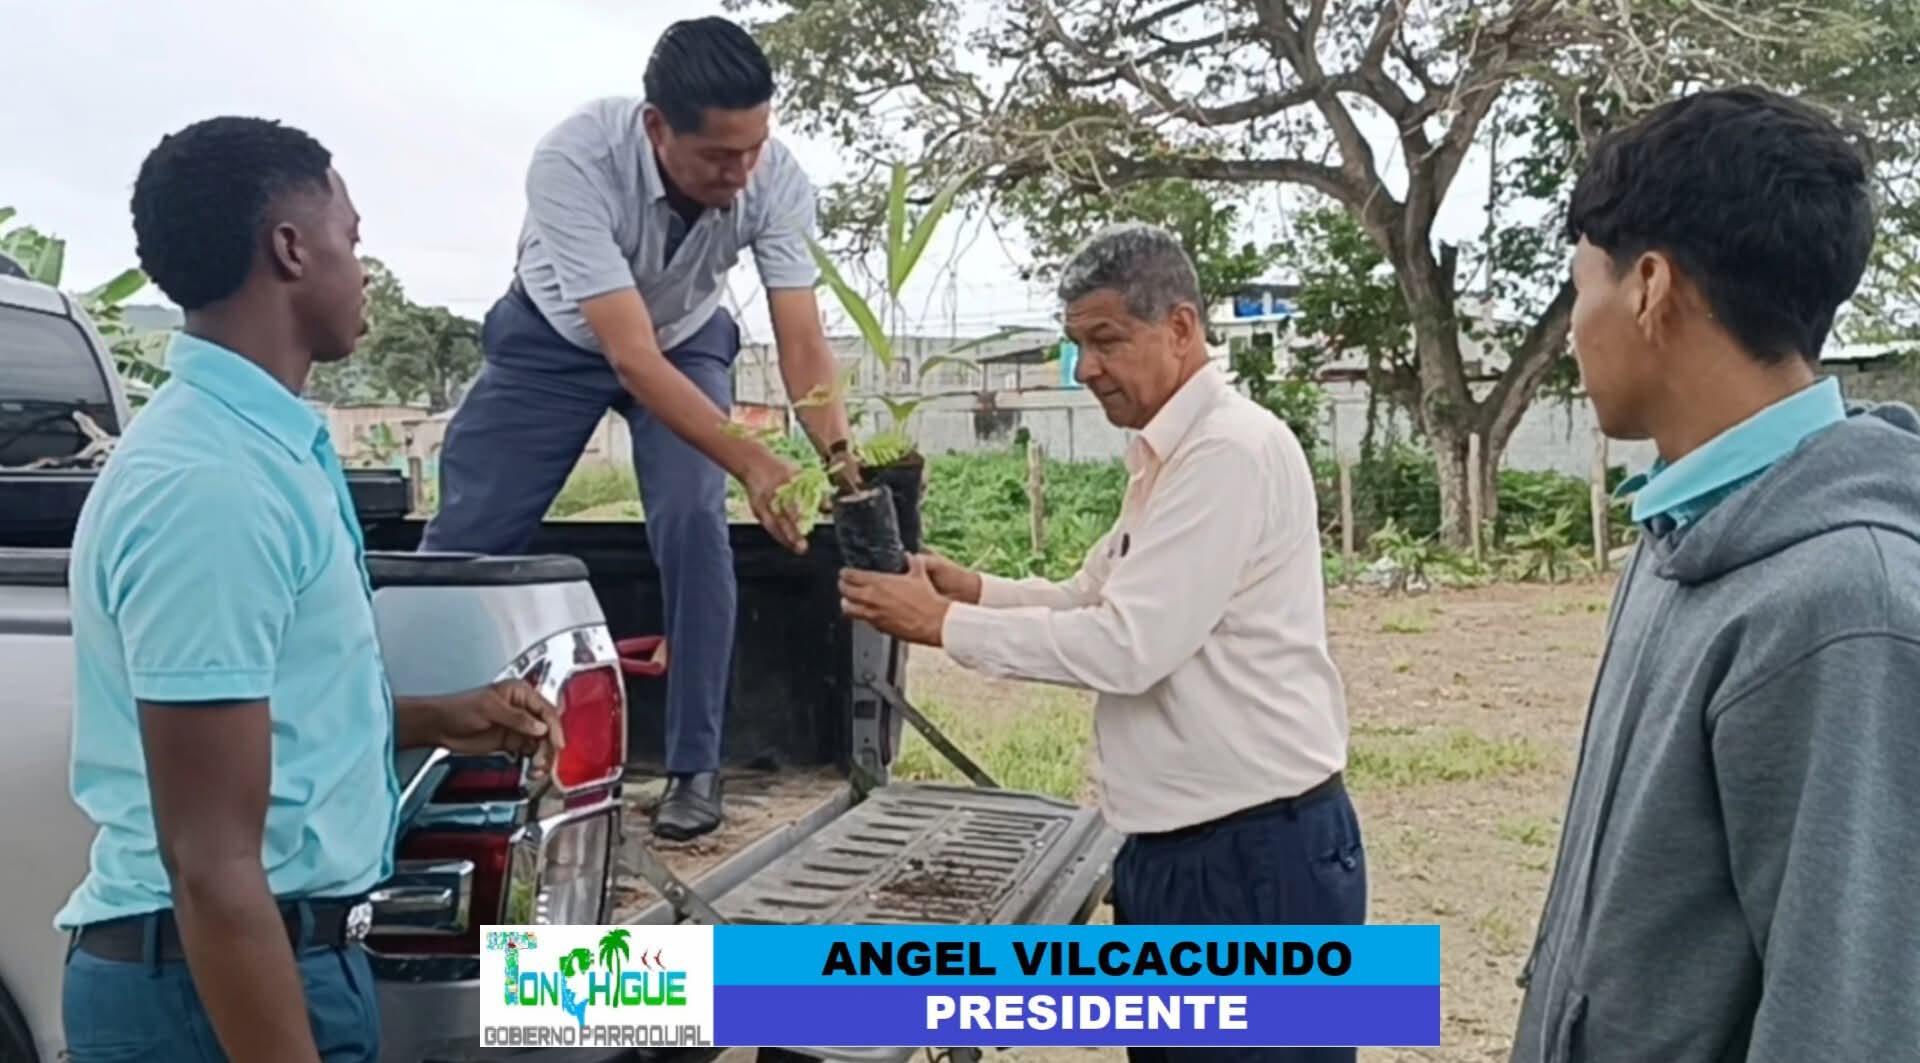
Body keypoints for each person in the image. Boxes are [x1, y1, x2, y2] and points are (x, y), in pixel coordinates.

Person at [58, 116, 565, 1063]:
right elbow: (211, 863)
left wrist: (440, 718)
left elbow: (260, 726)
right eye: (353, 238)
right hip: (212, 991)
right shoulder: (209, 487)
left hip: (274, 964)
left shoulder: (257, 450)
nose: (363, 268)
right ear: (291, 249)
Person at [840, 223, 1366, 1063]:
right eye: (1077, 343)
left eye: (1107, 340)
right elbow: (1092, 597)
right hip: (1188, 851)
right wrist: (970, 589)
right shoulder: (1168, 455)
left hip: (1250, 860)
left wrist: (940, 625)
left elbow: (1128, 645)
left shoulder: (1226, 452)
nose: (1085, 367)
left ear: (1181, 328)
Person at [1507, 86, 1920, 1063]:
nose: (1574, 330)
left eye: (1579, 289)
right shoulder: (1682, 527)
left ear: (1650, 285)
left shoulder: (1845, 606)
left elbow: (1847, 1020)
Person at [420, 15, 858, 841]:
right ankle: (428, 746)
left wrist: (840, 461)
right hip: (556, 340)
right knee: (467, 542)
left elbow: (801, 340)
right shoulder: (574, 161)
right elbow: (629, 356)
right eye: (719, 156)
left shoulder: (772, 177)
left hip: (686, 337)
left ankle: (696, 765)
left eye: (755, 147)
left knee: (694, 519)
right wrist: (753, 460)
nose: (742, 172)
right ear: (657, 127)